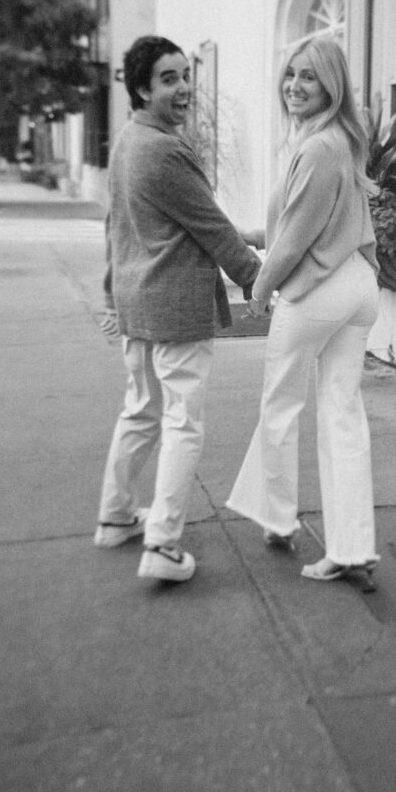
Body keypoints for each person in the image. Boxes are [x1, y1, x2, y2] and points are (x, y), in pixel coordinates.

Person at [95, 35, 262, 584]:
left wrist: (108, 294)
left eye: (185, 75)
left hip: (136, 301)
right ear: (142, 89)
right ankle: (163, 545)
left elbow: (118, 225)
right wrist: (260, 281)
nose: (184, 87)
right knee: (182, 423)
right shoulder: (164, 149)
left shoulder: (127, 143)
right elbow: (208, 226)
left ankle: (116, 518)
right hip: (173, 306)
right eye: (169, 79)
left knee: (140, 411)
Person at [226, 36, 380, 582]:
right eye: (291, 74)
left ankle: (278, 519)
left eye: (309, 77)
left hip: (321, 289)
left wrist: (260, 287)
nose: (295, 85)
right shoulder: (337, 140)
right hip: (357, 286)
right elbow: (300, 221)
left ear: (331, 84)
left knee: (281, 403)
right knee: (342, 413)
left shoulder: (316, 147)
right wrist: (250, 233)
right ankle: (352, 547)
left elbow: (296, 238)